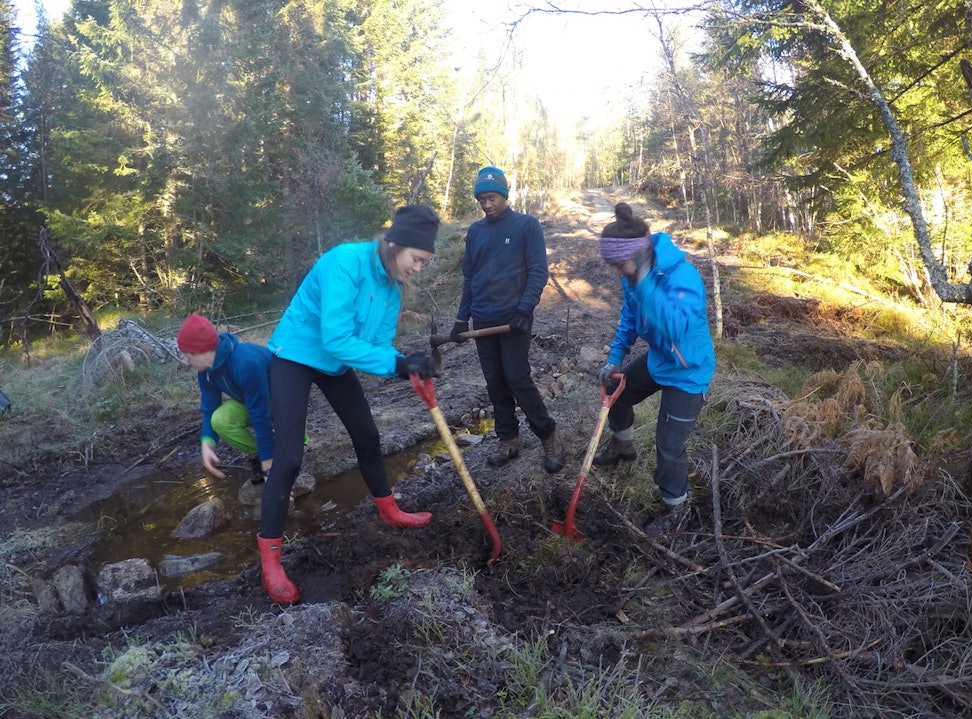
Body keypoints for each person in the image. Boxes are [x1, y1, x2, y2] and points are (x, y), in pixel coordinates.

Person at [257, 204, 441, 604]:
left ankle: (390, 510)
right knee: (287, 458)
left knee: (367, 436)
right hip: (295, 355)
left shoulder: (391, 287)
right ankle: (270, 559)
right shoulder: (345, 261)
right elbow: (335, 338)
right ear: (396, 244)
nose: (419, 269)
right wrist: (397, 363)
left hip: (336, 363)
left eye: (425, 263)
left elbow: (377, 346)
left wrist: (405, 367)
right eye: (418, 259)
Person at [593, 202, 716, 532]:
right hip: (660, 361)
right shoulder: (633, 275)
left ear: (639, 256)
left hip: (689, 372)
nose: (617, 271)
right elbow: (630, 318)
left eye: (620, 264)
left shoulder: (682, 276)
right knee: (614, 389)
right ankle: (623, 445)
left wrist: (645, 281)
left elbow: (675, 328)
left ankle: (676, 508)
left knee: (669, 447)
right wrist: (615, 358)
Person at [449, 165, 566, 473]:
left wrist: (523, 310)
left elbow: (538, 272)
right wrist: (462, 320)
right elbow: (470, 277)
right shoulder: (475, 232)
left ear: (504, 195)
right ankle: (508, 439)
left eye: (493, 198)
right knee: (495, 383)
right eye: (482, 200)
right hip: (484, 321)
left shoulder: (526, 225)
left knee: (517, 379)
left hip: (514, 320)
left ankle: (548, 435)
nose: (488, 205)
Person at [177, 313, 274, 485]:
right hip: (251, 402)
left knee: (276, 439)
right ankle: (262, 454)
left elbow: (260, 417)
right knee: (219, 419)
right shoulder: (205, 371)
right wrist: (207, 445)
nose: (185, 360)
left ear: (201, 351)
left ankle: (282, 455)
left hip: (282, 402)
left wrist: (269, 467)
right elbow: (209, 409)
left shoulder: (245, 362)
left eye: (186, 354)